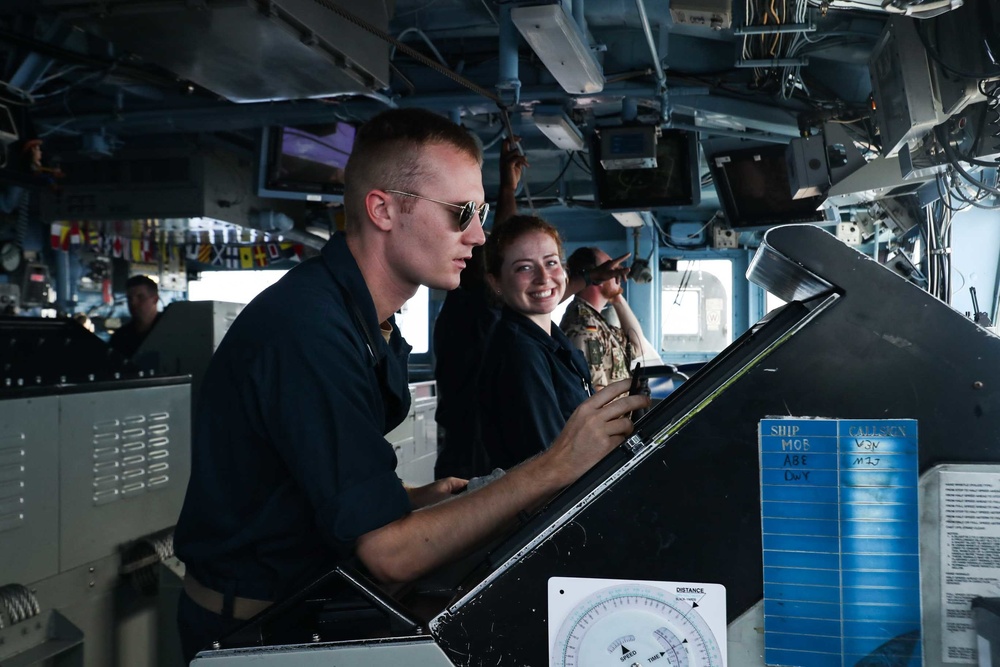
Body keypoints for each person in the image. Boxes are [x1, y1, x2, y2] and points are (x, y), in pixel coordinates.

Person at [173, 108, 649, 663]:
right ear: (383, 209)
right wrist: (557, 466)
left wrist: (403, 500)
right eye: (460, 212)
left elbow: (298, 481)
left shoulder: (364, 319)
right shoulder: (310, 331)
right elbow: (390, 556)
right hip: (259, 631)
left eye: (482, 211)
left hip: (304, 603)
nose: (477, 234)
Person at [432, 137, 527, 479]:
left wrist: (508, 189)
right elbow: (501, 246)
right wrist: (506, 189)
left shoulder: (470, 308)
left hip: (468, 441)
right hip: (472, 451)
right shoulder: (473, 311)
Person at [478, 215, 595, 470]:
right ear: (495, 282)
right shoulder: (519, 353)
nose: (544, 278)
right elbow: (551, 464)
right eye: (524, 267)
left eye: (551, 262)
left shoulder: (553, 341)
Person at [560, 246, 646, 389]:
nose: (617, 274)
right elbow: (596, 391)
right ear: (597, 277)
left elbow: (638, 347)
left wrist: (616, 296)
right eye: (610, 269)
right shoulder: (585, 324)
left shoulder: (597, 321)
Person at [108, 274, 161, 358]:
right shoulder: (120, 338)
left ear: (155, 299)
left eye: (140, 297)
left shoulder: (169, 330)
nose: (133, 303)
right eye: (130, 298)